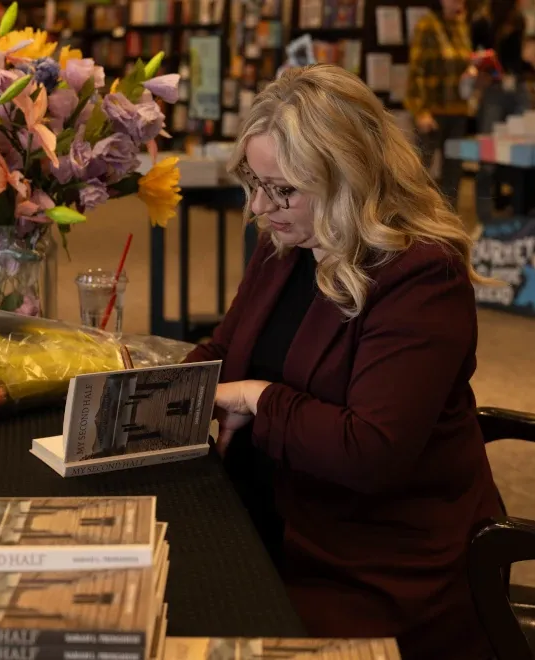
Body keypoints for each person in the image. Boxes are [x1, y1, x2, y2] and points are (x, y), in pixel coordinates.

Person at [185, 64, 501, 660]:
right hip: (277, 509)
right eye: (253, 182)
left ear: (348, 179)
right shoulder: (285, 243)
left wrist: (257, 398)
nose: (259, 206)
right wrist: (152, 385)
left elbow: (371, 451)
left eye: (282, 189)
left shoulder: (421, 274)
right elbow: (227, 350)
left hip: (375, 557)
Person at [405, 0, 471, 208]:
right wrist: (420, 110)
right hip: (432, 111)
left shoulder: (461, 26)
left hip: (458, 110)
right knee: (421, 170)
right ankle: (413, 219)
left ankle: (450, 224)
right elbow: (417, 72)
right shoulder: (427, 26)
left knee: (454, 170)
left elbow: (463, 62)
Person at [472, 0, 532, 223]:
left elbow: (518, 58)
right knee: (487, 154)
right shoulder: (483, 21)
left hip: (517, 86)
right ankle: (485, 213)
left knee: (522, 148)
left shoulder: (519, 19)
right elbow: (475, 54)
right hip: (494, 89)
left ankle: (520, 208)